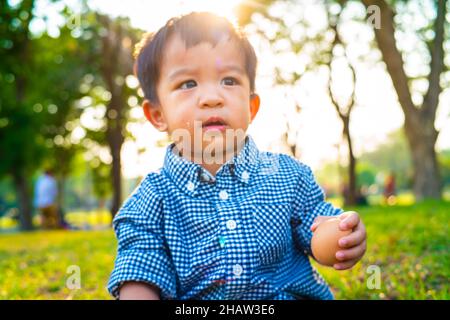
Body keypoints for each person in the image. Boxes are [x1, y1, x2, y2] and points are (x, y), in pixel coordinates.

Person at [108, 12, 367, 300]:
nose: (212, 97)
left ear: (251, 106)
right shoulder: (151, 201)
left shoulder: (290, 176)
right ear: (157, 115)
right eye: (188, 84)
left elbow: (318, 235)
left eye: (229, 81)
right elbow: (141, 270)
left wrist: (340, 235)